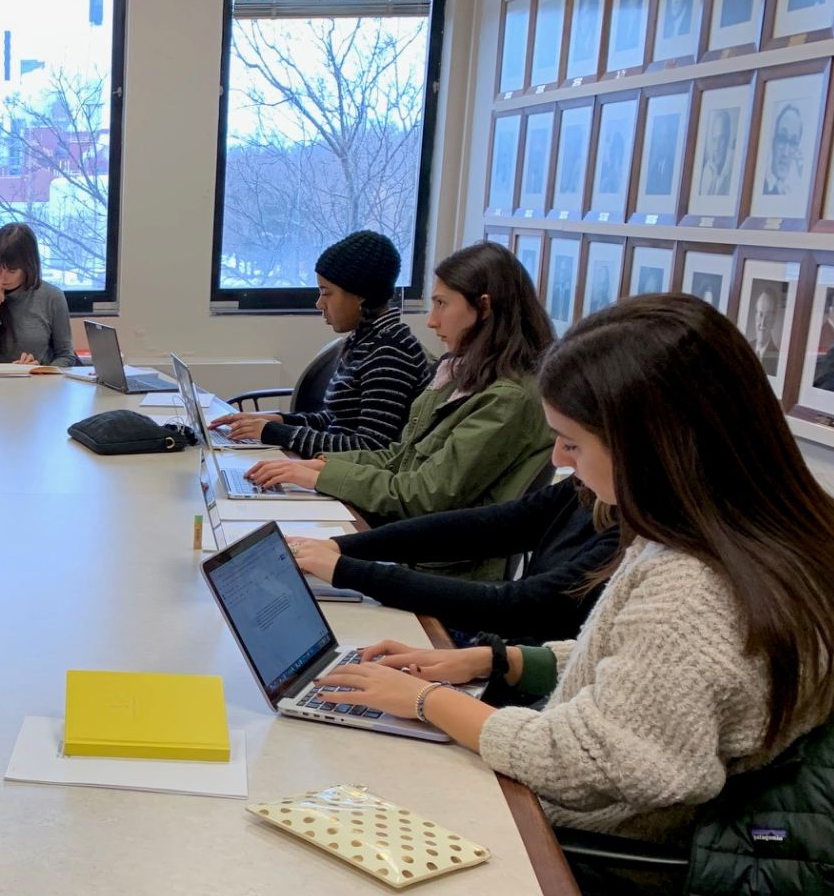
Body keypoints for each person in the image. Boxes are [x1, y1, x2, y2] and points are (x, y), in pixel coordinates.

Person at [317, 293, 834, 844]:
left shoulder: (693, 587)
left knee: (336, 791)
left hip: (597, 857)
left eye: (571, 443)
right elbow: (651, 672)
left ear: (653, 447)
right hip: (611, 820)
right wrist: (498, 660)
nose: (558, 461)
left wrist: (426, 702)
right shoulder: (782, 527)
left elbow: (591, 758)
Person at [245, 242, 557, 568]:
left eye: (441, 304)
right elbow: (399, 455)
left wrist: (317, 474)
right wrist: (321, 466)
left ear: (484, 307)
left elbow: (421, 495)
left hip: (438, 566)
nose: (432, 321)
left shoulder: (506, 400)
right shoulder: (461, 373)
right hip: (407, 542)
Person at [288, 479, 619, 644]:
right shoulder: (588, 488)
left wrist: (347, 570)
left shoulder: (634, 541)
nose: (557, 455)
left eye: (573, 444)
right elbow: (488, 526)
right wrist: (340, 547)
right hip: (499, 653)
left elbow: (517, 608)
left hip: (518, 673)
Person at [212, 233, 430, 456]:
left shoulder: (390, 353)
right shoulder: (365, 340)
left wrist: (274, 433)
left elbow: (369, 449)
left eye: (327, 293)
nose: (319, 304)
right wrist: (276, 421)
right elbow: (336, 420)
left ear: (361, 295)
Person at [0, 222, 78, 370]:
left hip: (38, 386)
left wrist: (41, 371)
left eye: (12, 271)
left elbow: (66, 355)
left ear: (28, 266)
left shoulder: (52, 296)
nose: (2, 277)